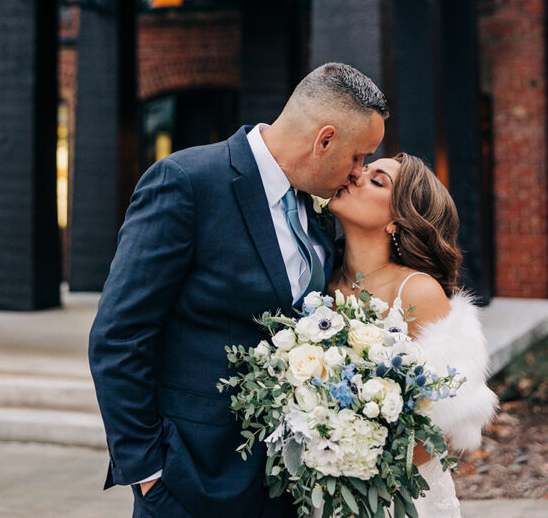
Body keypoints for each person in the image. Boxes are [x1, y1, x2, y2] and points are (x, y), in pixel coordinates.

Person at [88, 62, 388, 518]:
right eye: (357, 156)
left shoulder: (319, 211)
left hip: (284, 486)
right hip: (190, 480)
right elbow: (118, 337)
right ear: (323, 140)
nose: (357, 172)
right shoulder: (187, 182)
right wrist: (148, 471)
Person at [327, 153, 498, 518]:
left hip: (398, 498)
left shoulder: (416, 292)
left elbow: (440, 430)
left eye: (377, 180)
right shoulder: (318, 281)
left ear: (396, 221)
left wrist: (350, 441)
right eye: (364, 167)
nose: (356, 174)